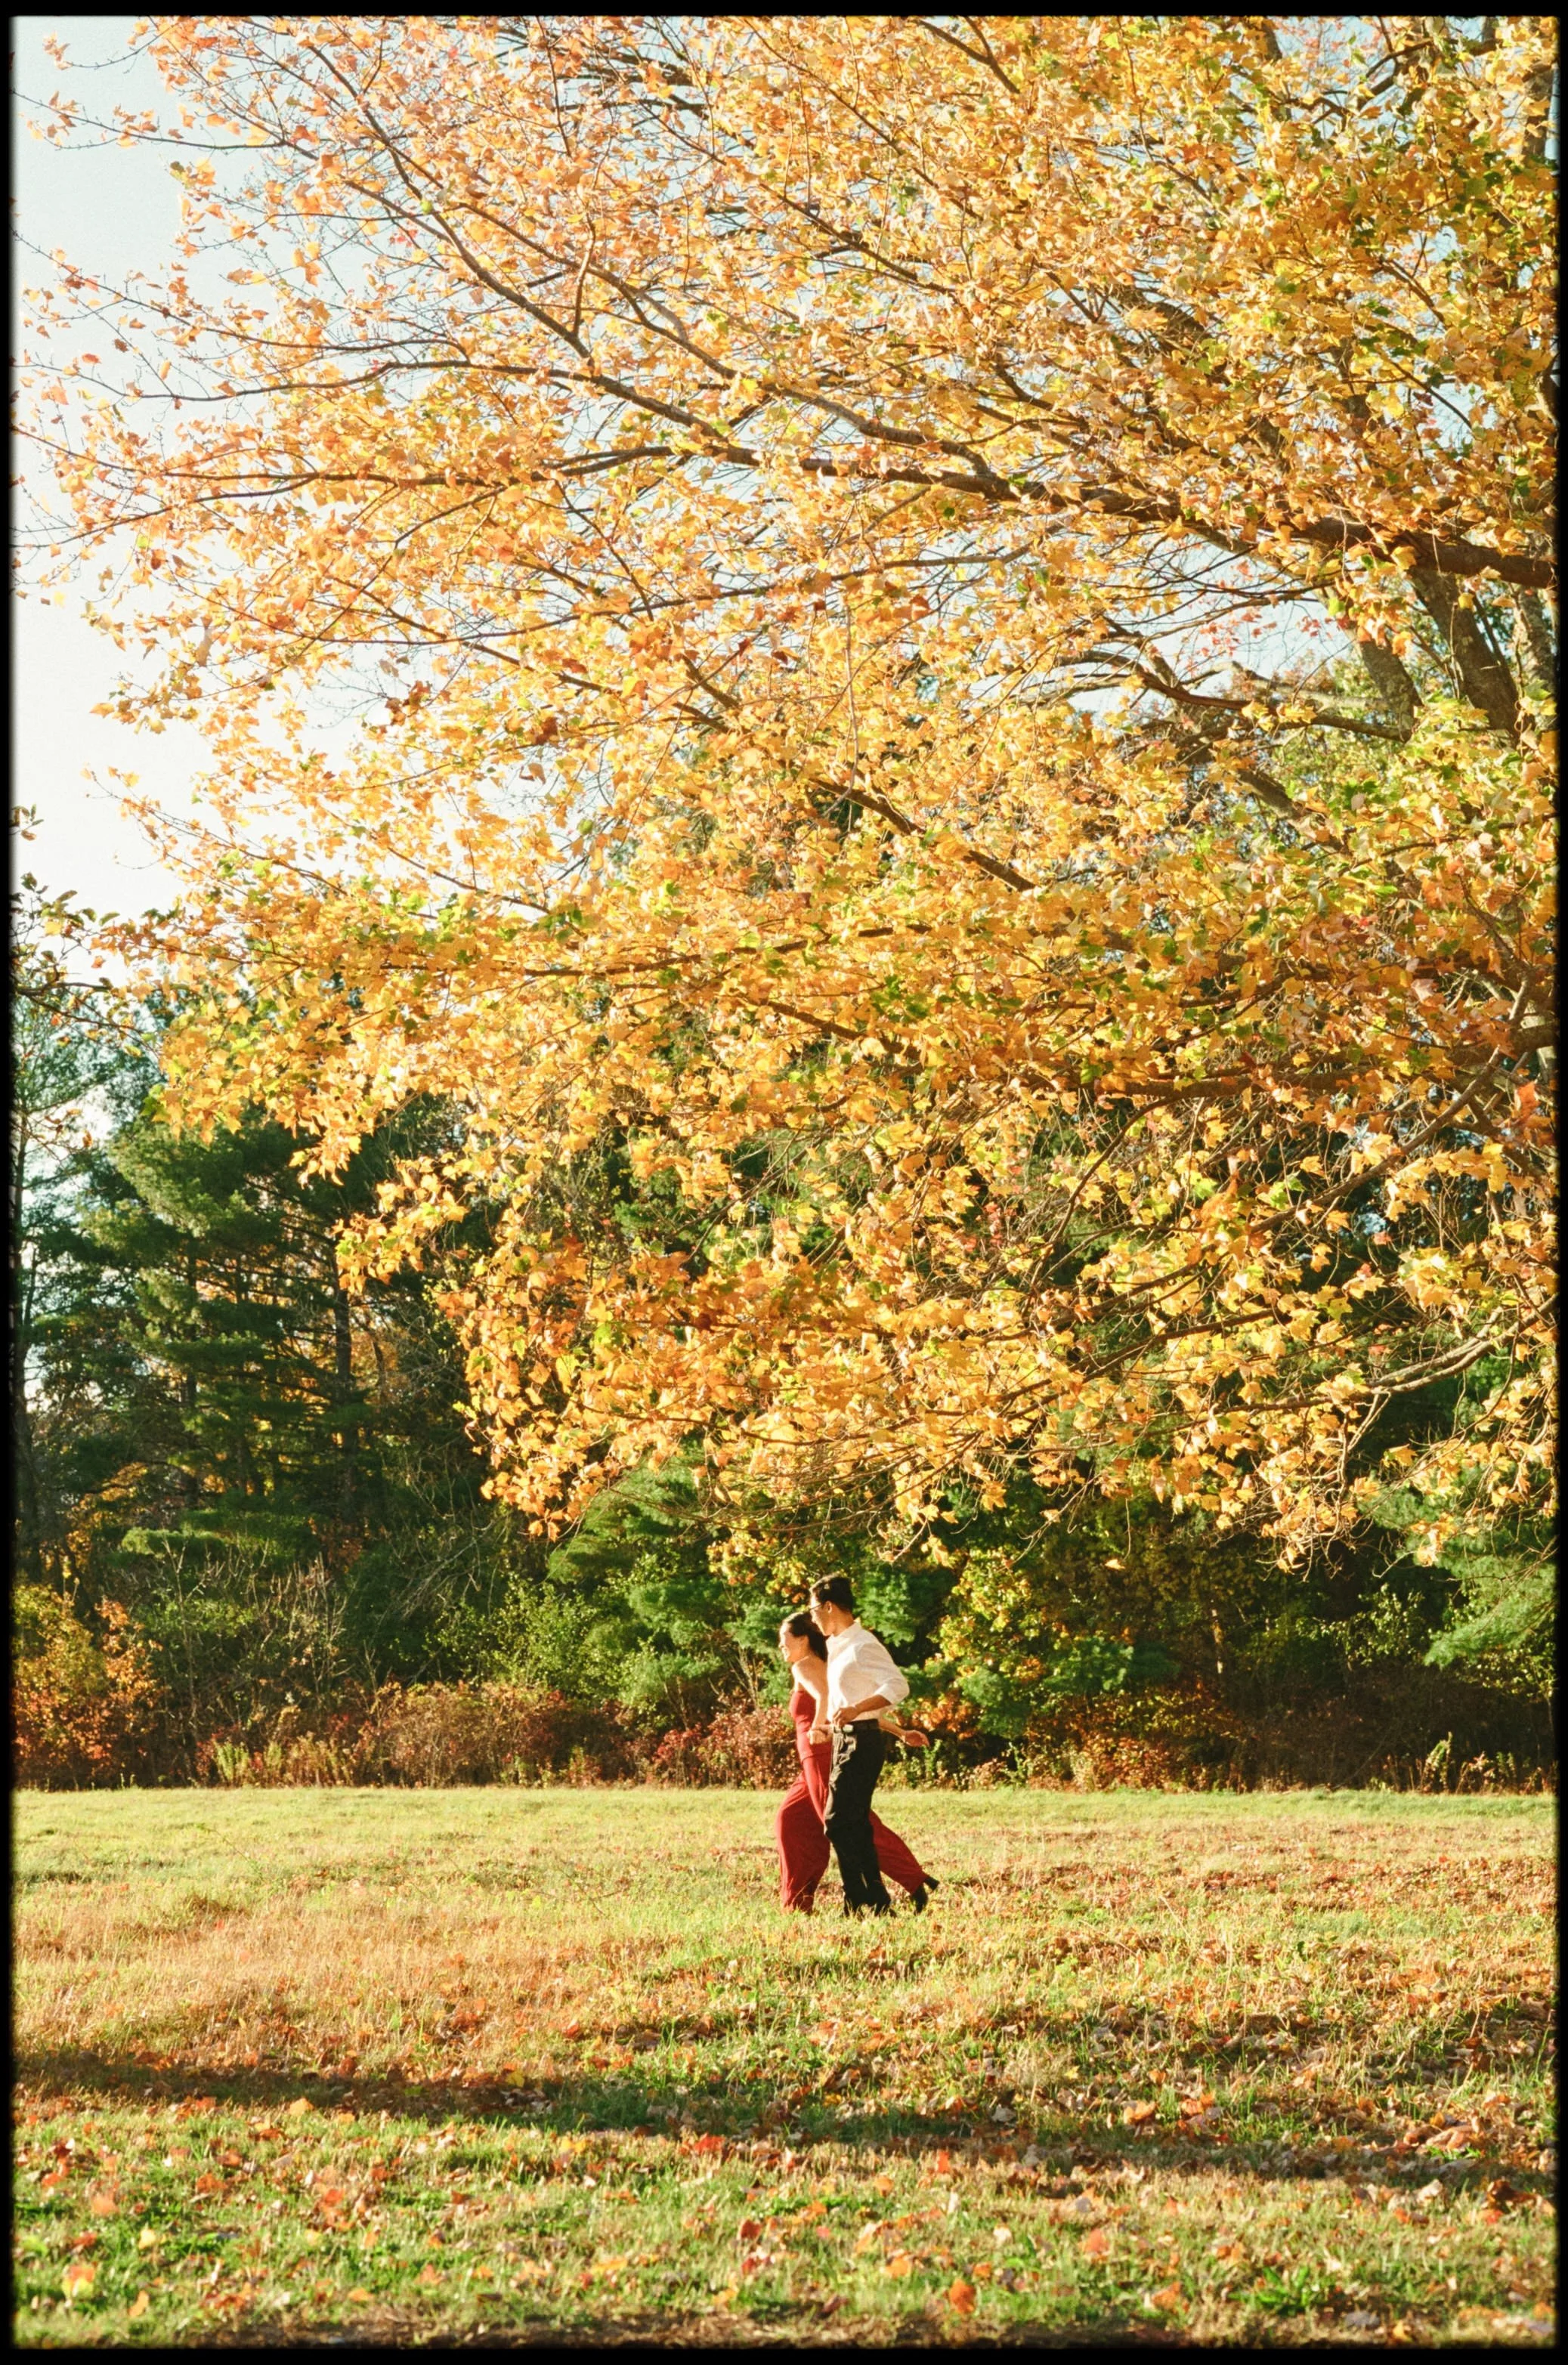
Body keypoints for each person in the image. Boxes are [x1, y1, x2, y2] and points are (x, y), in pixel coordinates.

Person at [775, 1613, 936, 1915]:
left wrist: (817, 1727)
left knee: (850, 1825)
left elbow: (824, 1698)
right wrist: (900, 1733)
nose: (780, 1647)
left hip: (819, 1756)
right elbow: (846, 1711)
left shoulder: (804, 1665)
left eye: (785, 1641)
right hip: (813, 1761)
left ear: (803, 1639)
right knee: (792, 1821)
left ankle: (910, 1882)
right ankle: (797, 1903)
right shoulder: (822, 1665)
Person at [810, 1575, 934, 1918]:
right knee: (854, 1825)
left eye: (813, 1610)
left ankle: (862, 1898)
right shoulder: (838, 1646)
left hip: (861, 1743)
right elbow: (849, 1704)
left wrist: (856, 1709)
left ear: (829, 1607)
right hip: (846, 1739)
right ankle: (873, 1903)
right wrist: (831, 1726)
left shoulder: (863, 1645)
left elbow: (898, 1686)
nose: (812, 1618)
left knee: (836, 1822)